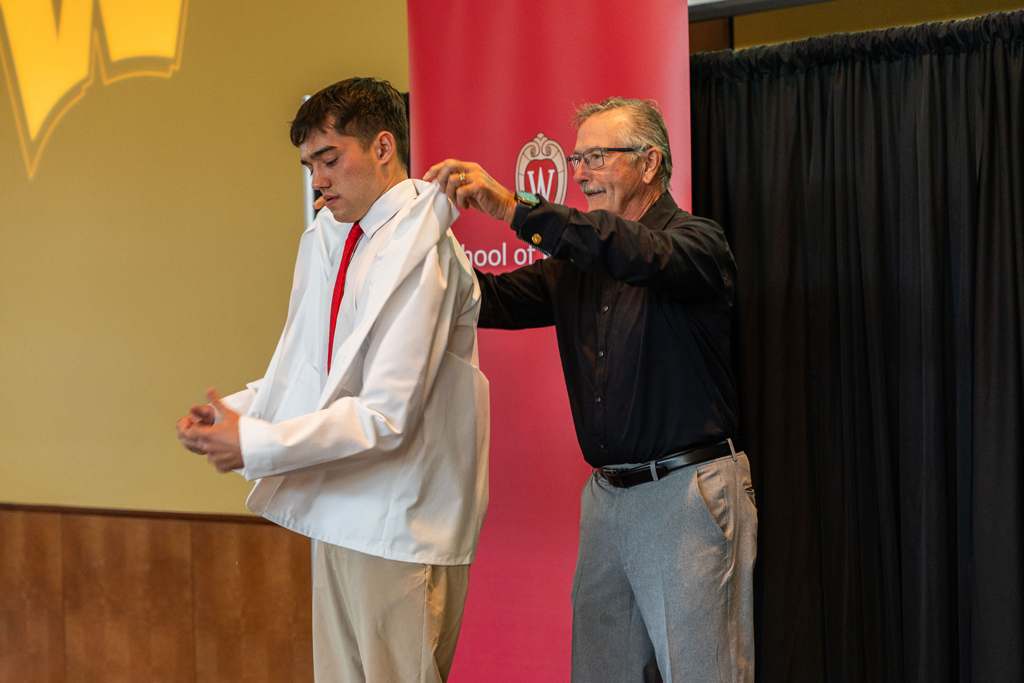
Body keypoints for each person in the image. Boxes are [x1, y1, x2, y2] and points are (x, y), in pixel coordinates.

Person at [424, 97, 756, 683]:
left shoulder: (696, 244)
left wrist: (514, 207)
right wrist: (411, 241)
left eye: (598, 157)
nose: (580, 171)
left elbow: (629, 251)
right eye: (577, 157)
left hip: (686, 495)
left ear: (650, 163)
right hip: (606, 500)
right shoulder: (575, 264)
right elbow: (488, 301)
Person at [177, 77, 489, 683]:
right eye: (308, 164)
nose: (317, 180)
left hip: (401, 525)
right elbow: (310, 373)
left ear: (381, 147)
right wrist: (241, 413)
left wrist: (257, 443)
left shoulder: (422, 245)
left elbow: (386, 415)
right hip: (339, 511)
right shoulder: (336, 238)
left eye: (329, 158)